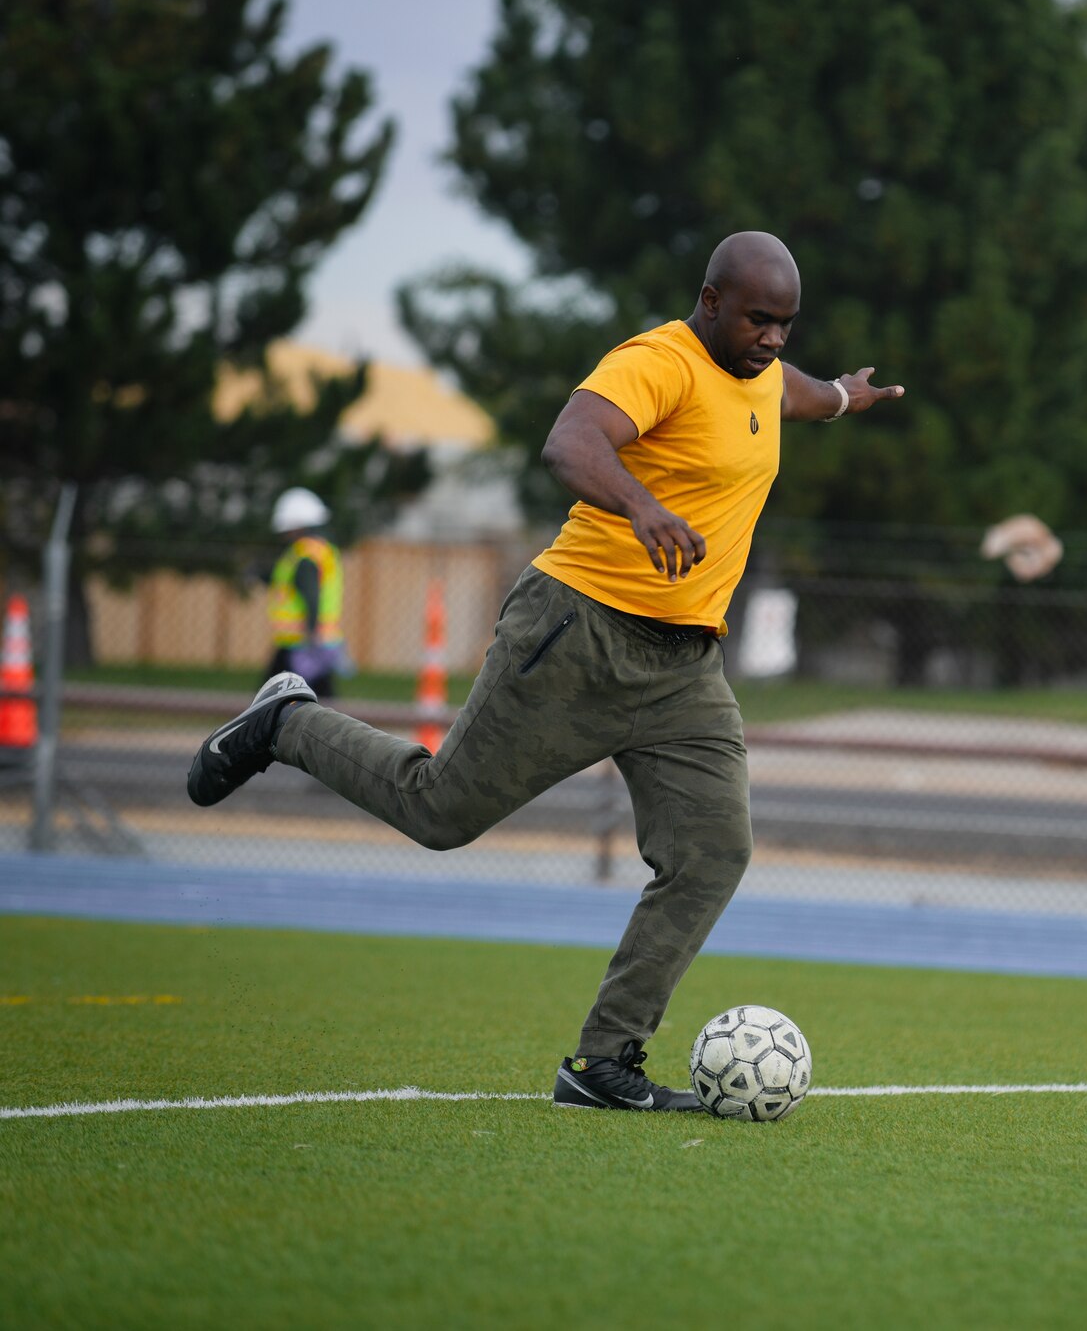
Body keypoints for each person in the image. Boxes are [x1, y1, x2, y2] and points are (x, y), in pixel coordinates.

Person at [187, 232, 904, 1112]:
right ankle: (286, 724)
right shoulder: (659, 360)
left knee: (714, 851)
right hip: (577, 634)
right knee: (440, 811)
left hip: (684, 671)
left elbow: (780, 391)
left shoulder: (758, 370)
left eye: (788, 325)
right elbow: (570, 444)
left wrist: (837, 397)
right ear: (710, 299)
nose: (774, 341)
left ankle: (603, 1064)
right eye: (759, 319)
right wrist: (642, 506)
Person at [264, 488, 348, 700]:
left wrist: (312, 636)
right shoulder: (321, 551)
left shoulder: (305, 554)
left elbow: (311, 596)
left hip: (302, 642)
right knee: (322, 700)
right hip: (311, 640)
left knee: (271, 701)